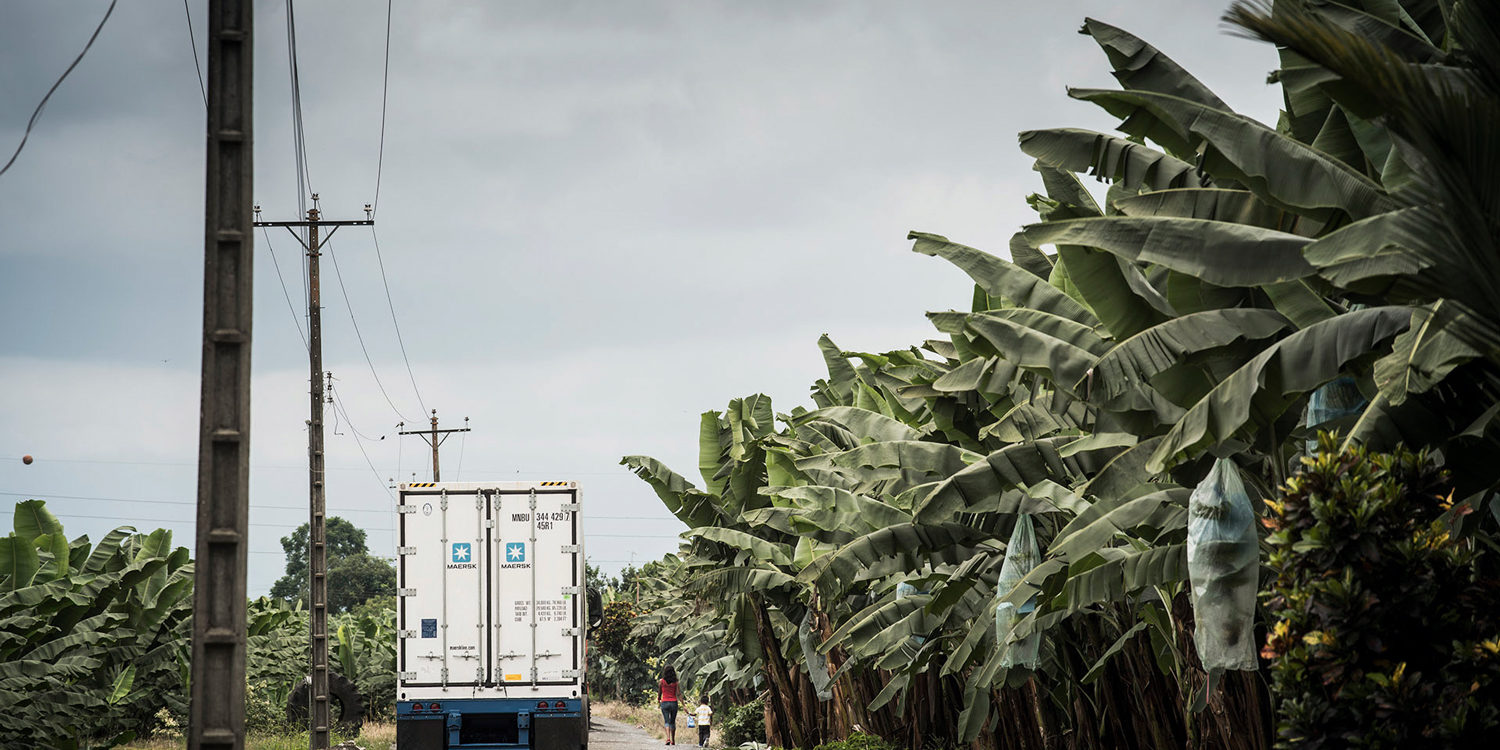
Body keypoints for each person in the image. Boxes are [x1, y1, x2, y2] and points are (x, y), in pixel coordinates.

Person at [658, 665, 680, 745]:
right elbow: (678, 693)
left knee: (666, 721)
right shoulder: (676, 682)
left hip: (665, 703)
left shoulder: (661, 681)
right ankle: (673, 740)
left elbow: (660, 692)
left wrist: (658, 699)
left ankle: (668, 738)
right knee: (672, 722)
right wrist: (683, 704)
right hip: (674, 702)